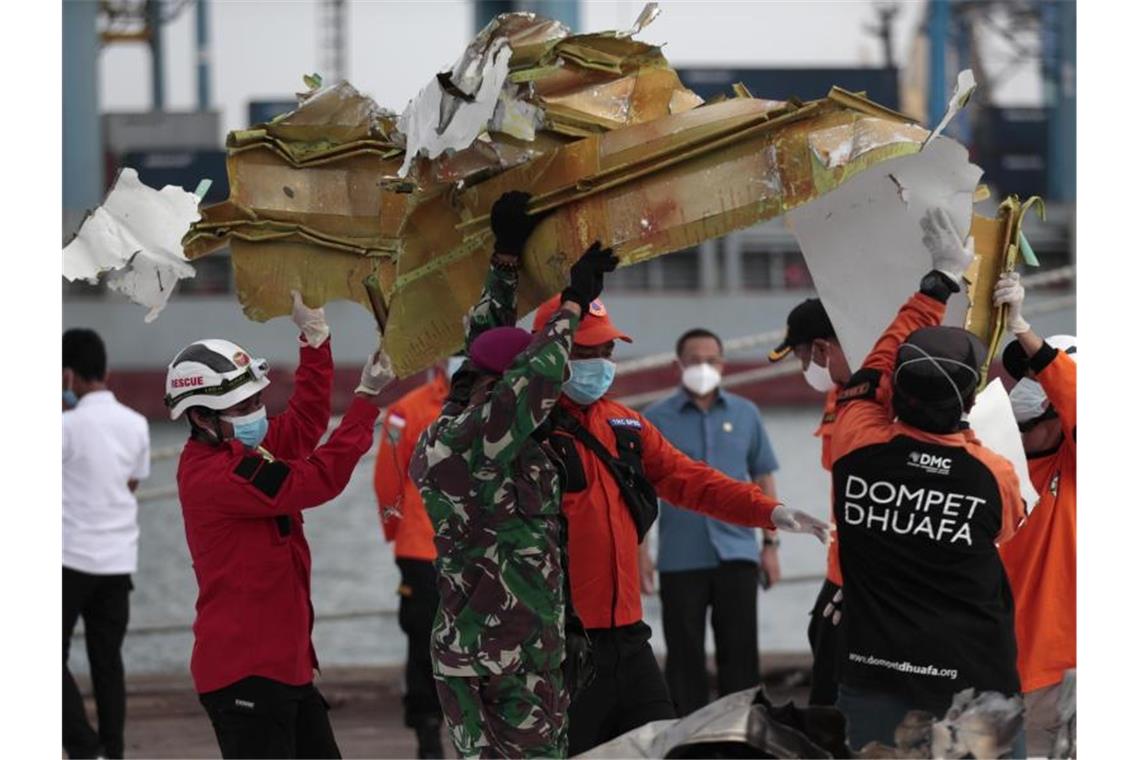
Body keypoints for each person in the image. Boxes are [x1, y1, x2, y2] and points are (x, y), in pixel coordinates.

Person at [528, 295, 829, 756]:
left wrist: (769, 512)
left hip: (628, 640)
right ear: (550, 353)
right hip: (559, 647)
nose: (598, 364)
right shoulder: (520, 435)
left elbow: (692, 480)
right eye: (584, 353)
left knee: (665, 747)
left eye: (605, 353)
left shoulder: (626, 426)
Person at [409, 191, 618, 759]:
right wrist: (573, 302)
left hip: (502, 649)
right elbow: (532, 376)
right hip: (504, 661)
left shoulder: (464, 424)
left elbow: (487, 346)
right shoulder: (474, 438)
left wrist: (505, 256)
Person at [829, 209, 1027, 752]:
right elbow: (1006, 531)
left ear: (894, 390)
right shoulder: (992, 474)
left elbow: (872, 370)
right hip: (972, 684)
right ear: (967, 402)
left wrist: (936, 282)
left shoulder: (854, 446)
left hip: (872, 678)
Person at [167, 291, 396, 759]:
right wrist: (366, 400)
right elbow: (316, 479)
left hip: (286, 668)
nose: (255, 414)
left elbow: (306, 421)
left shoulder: (242, 450)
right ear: (199, 416)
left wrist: (316, 338)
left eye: (255, 399)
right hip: (245, 675)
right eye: (241, 407)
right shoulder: (219, 475)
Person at [641, 327, 782, 717]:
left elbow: (764, 478)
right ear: (678, 364)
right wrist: (641, 554)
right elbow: (639, 492)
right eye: (694, 360)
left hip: (738, 553)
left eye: (711, 359)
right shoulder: (654, 419)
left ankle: (741, 735)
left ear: (723, 363)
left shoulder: (745, 413)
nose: (703, 367)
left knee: (741, 656)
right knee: (684, 660)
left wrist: (770, 547)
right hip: (680, 558)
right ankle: (689, 740)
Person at [994, 271, 1077, 758]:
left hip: (1058, 671)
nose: (1023, 382)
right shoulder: (995, 459)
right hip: (999, 670)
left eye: (1038, 373)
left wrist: (1025, 329)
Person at [63, 328, 151, 759]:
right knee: (107, 661)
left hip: (68, 558)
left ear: (67, 375)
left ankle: (81, 744)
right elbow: (130, 484)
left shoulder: (64, 426)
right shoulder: (136, 424)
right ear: (107, 371)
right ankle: (112, 750)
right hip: (117, 562)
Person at [373, 357, 462, 759]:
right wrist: (400, 534)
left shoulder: (405, 411)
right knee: (425, 642)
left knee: (432, 643)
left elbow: (387, 479)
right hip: (428, 550)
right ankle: (429, 732)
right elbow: (387, 478)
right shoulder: (405, 413)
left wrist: (398, 532)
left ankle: (442, 734)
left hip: (458, 550)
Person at [767, 298, 852, 707]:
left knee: (835, 694)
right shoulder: (840, 396)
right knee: (822, 640)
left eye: (802, 355)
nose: (802, 367)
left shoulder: (870, 399)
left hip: (859, 574)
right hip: (840, 566)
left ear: (822, 348)